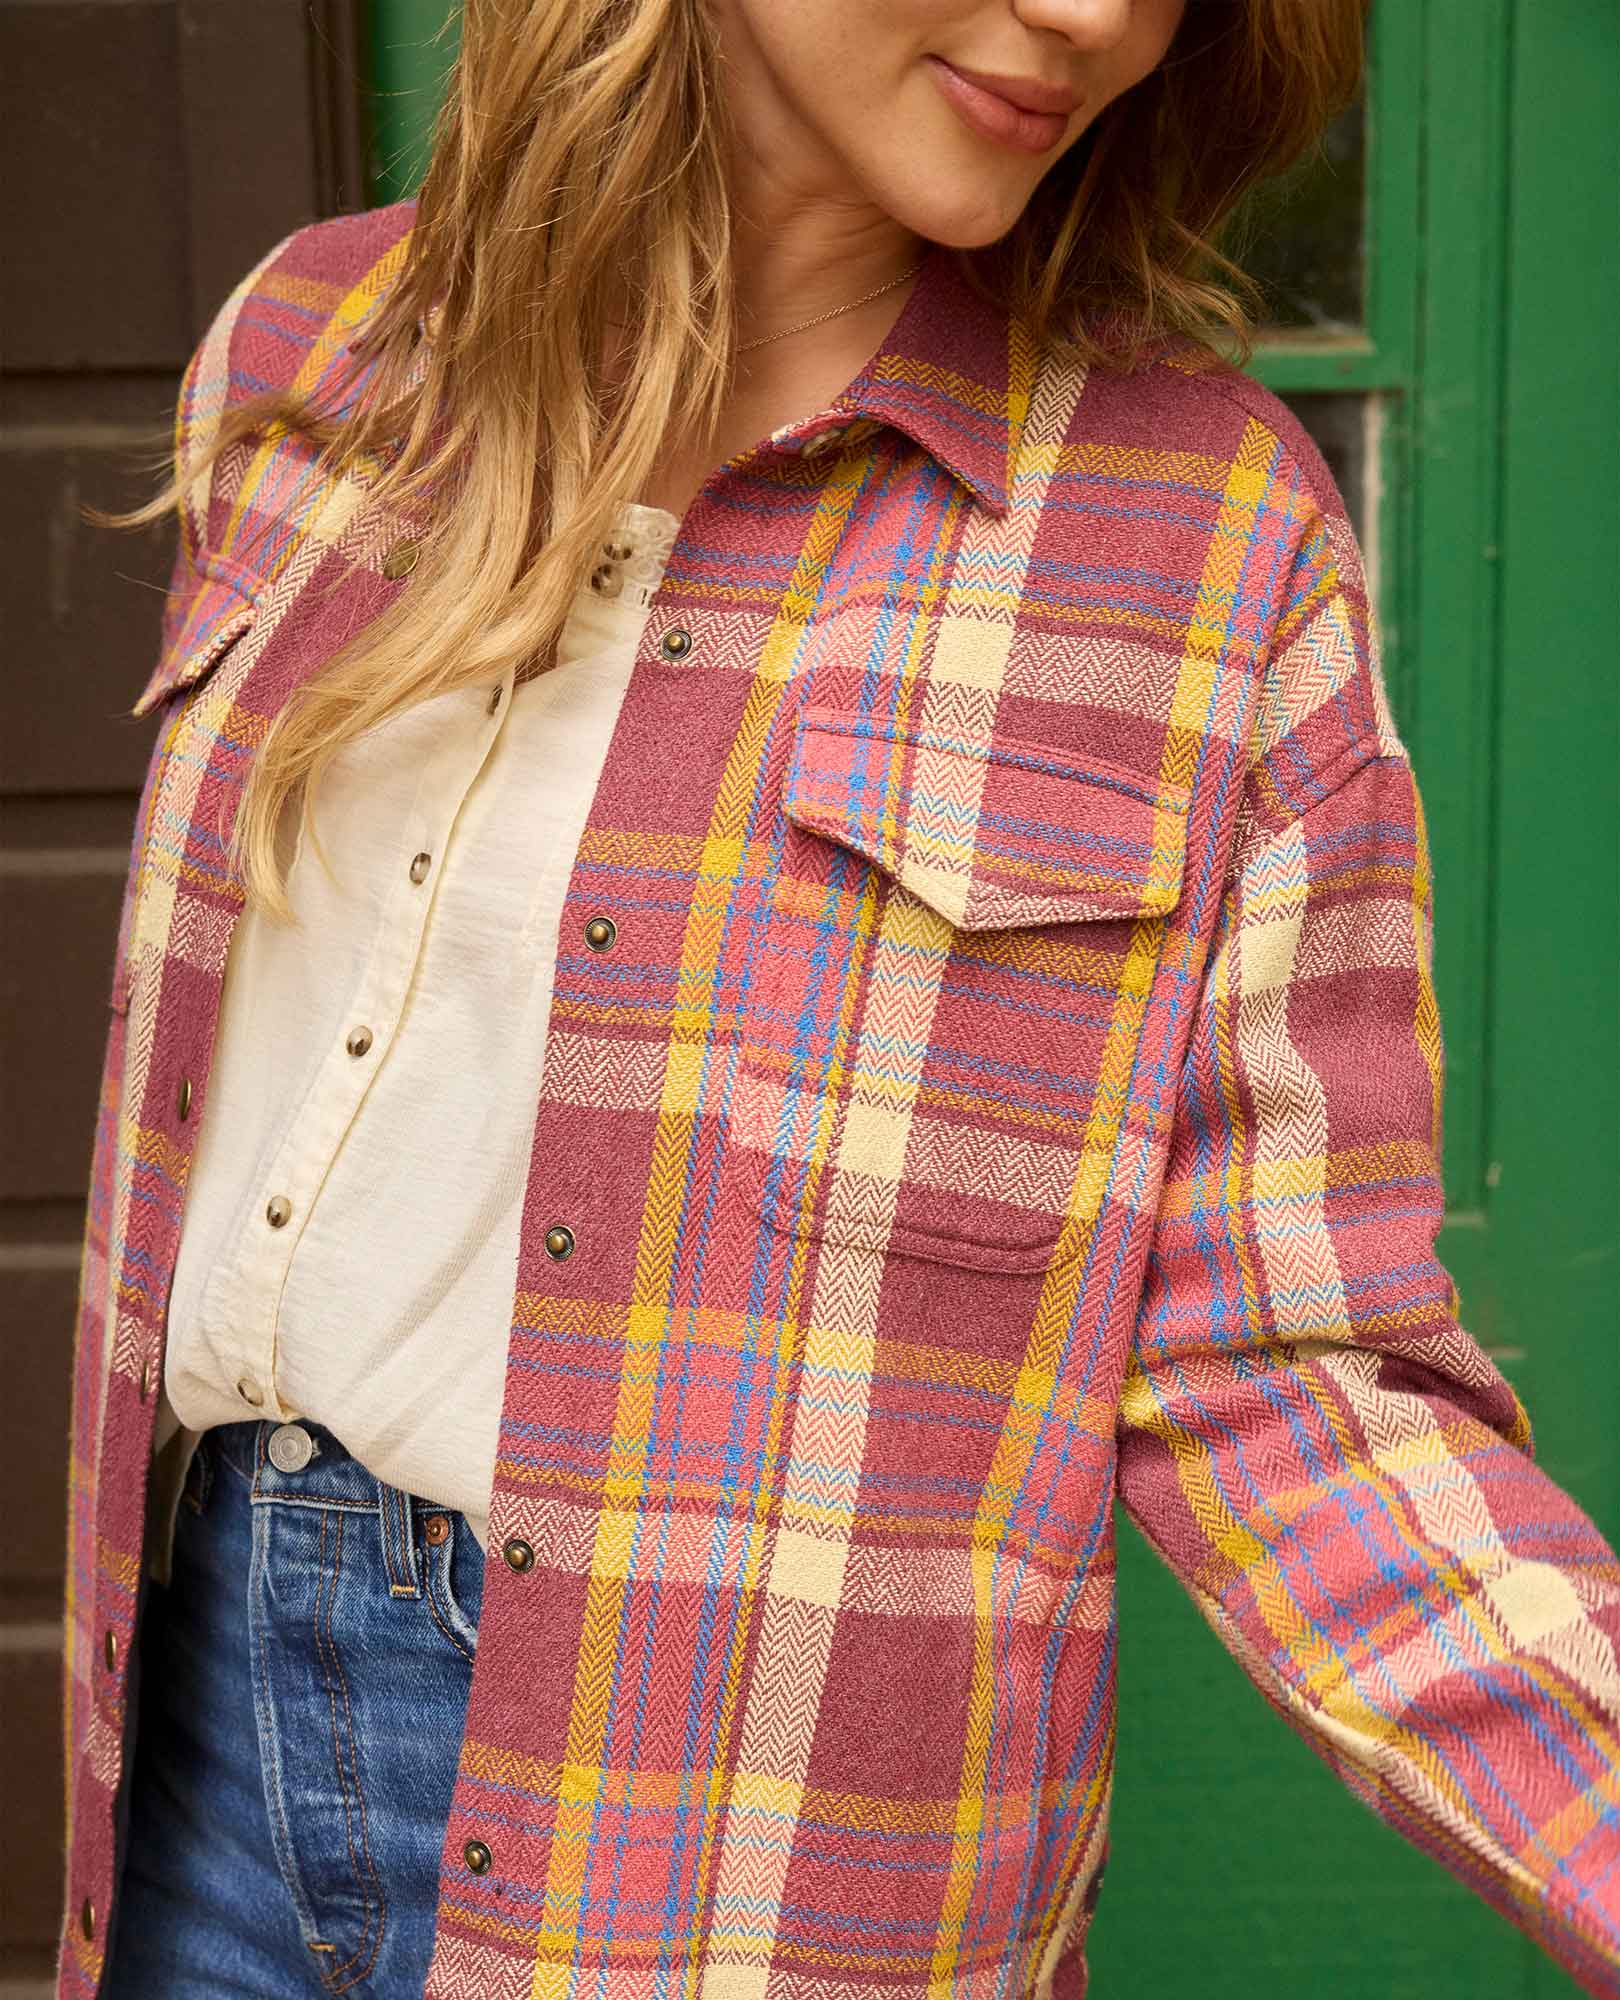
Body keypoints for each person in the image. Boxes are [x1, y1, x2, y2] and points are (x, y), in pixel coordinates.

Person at [58, 1, 1620, 1995]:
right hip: (193, 1750)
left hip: (732, 1867)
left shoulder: (1205, 544)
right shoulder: (308, 349)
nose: (1096, 17)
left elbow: (1297, 1375)